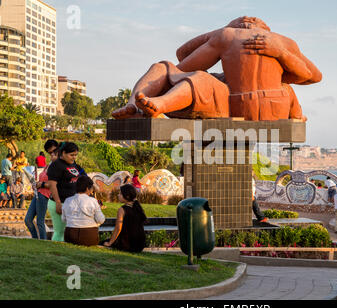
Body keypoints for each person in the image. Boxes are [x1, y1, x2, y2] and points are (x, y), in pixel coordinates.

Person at [112, 16, 321, 121]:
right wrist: (281, 55)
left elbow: (182, 59)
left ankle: (152, 104)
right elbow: (314, 76)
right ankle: (136, 106)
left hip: (236, 105)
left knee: (172, 70)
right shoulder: (284, 41)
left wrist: (218, 34)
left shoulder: (228, 36)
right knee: (197, 77)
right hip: (276, 108)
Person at [47, 142, 86, 242]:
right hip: (59, 202)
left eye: (75, 155)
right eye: (71, 155)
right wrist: (58, 203)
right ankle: (56, 253)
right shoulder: (56, 165)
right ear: (63, 153)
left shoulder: (74, 165)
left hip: (72, 203)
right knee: (59, 231)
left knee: (70, 231)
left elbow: (82, 177)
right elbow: (52, 185)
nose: (74, 157)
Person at [24, 140, 59, 240]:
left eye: (53, 151)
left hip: (45, 195)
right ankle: (35, 239)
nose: (51, 154)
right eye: (49, 152)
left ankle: (43, 242)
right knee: (28, 220)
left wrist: (42, 184)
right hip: (38, 194)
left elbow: (54, 184)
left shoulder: (57, 165)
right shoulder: (49, 164)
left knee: (40, 222)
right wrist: (36, 184)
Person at [62, 176, 106, 246]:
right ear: (87, 188)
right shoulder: (93, 201)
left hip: (70, 236)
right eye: (91, 188)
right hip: (88, 236)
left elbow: (63, 219)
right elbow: (101, 220)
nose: (91, 191)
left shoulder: (67, 200)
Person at [102, 184, 146, 253]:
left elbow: (118, 228)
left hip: (128, 244)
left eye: (120, 193)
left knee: (103, 242)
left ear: (127, 196)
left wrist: (110, 243)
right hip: (140, 245)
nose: (118, 195)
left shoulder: (122, 209)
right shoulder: (137, 208)